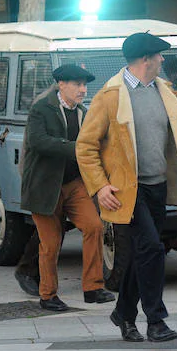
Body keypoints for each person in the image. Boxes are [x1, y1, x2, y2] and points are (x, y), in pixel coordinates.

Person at [76, 32, 177, 342]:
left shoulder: (164, 90)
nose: (162, 60)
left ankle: (124, 314)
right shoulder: (110, 96)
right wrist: (100, 187)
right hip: (128, 191)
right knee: (152, 248)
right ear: (144, 60)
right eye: (158, 55)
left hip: (158, 186)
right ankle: (156, 320)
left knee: (146, 253)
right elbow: (85, 146)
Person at [21, 64, 115, 312]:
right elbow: (38, 142)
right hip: (44, 186)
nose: (83, 90)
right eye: (77, 84)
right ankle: (48, 295)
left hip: (74, 184)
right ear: (61, 84)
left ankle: (93, 288)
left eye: (85, 85)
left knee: (94, 227)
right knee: (51, 243)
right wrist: (76, 148)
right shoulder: (41, 109)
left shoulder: (84, 113)